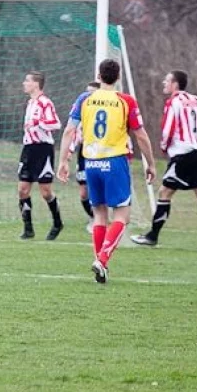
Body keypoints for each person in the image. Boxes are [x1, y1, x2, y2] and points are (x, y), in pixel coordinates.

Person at [57, 59, 156, 284]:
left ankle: (100, 263)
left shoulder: (85, 99)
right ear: (118, 77)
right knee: (122, 214)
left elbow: (69, 131)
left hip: (90, 163)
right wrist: (150, 163)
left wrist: (63, 161)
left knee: (99, 214)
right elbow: (140, 135)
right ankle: (101, 260)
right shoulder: (125, 101)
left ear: (99, 77)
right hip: (114, 162)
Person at [132, 70, 197, 249]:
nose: (164, 83)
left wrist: (165, 147)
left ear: (175, 84)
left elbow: (168, 129)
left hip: (182, 155)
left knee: (164, 193)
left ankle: (152, 236)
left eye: (167, 80)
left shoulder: (173, 102)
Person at [17, 71, 64, 240]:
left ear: (36, 84)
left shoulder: (45, 103)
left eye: (27, 80)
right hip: (28, 149)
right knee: (22, 190)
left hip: (43, 149)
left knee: (45, 192)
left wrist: (39, 123)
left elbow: (56, 124)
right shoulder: (30, 103)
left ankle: (58, 223)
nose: (24, 83)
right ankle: (28, 229)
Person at [59, 82, 100, 233]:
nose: (88, 96)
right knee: (83, 192)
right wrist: (69, 151)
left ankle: (102, 219)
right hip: (84, 153)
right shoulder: (81, 112)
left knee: (97, 187)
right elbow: (73, 131)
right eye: (87, 92)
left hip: (100, 152)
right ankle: (94, 217)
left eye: (92, 92)